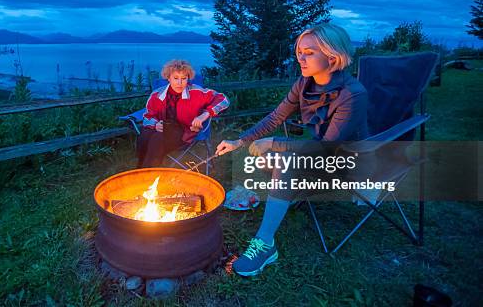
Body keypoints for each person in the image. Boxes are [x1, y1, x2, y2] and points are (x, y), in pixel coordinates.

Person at [215, 23, 368, 276]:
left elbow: (327, 149)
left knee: (284, 161)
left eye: (309, 52)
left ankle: (265, 244)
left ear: (331, 56)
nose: (301, 58)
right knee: (265, 157)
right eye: (299, 51)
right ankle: (286, 193)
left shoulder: (352, 94)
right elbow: (275, 117)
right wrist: (239, 141)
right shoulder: (304, 83)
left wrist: (276, 143)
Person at [137, 59, 230, 168]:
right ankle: (141, 171)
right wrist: (155, 124)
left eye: (183, 78)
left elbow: (224, 100)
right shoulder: (157, 95)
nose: (179, 83)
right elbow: (148, 116)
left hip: (184, 132)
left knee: (158, 139)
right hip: (162, 128)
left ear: (188, 78)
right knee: (144, 134)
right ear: (168, 78)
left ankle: (149, 175)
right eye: (175, 78)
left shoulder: (196, 92)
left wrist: (205, 114)